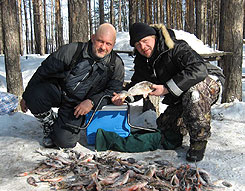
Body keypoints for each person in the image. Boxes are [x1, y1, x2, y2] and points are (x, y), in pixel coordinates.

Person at [112, 23, 225, 162]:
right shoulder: (143, 60)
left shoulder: (176, 47)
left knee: (193, 93)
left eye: (145, 41)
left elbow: (199, 69)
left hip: (207, 82)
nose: (142, 47)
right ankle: (187, 121)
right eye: (137, 44)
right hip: (180, 95)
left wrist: (166, 88)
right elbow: (137, 84)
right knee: (165, 129)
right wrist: (125, 96)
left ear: (154, 37)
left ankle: (199, 140)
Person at [20, 23, 125, 148]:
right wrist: (26, 96)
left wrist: (92, 102)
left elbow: (113, 91)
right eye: (100, 41)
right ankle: (49, 122)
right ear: (92, 38)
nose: (103, 47)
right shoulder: (72, 50)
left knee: (65, 142)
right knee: (34, 95)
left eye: (108, 44)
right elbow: (43, 71)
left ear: (113, 44)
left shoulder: (116, 65)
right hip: (58, 90)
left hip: (78, 105)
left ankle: (59, 127)